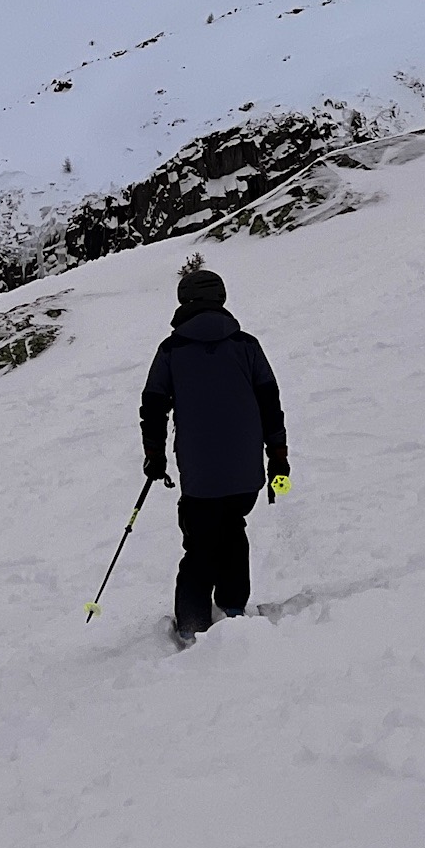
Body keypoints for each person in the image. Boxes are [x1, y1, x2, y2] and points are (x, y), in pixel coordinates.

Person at [140, 267, 289, 648]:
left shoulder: (172, 350)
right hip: (245, 473)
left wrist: (154, 454)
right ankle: (234, 608)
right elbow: (270, 403)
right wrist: (278, 457)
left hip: (200, 473)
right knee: (233, 530)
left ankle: (191, 625)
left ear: (184, 301)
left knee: (201, 543)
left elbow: (153, 404)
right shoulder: (246, 345)